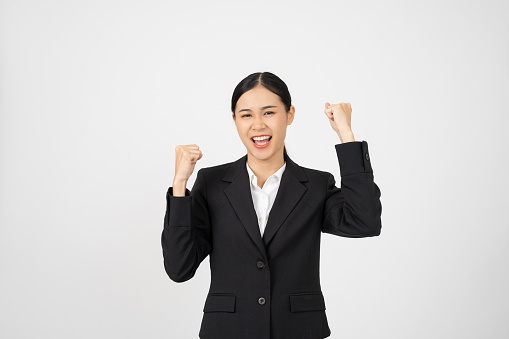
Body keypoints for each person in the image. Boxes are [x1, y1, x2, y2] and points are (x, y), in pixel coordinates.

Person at [162, 71, 382, 339]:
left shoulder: (315, 185)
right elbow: (179, 267)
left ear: (289, 115)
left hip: (298, 331)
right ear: (235, 120)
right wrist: (180, 183)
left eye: (268, 113)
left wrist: (346, 135)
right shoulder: (211, 183)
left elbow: (365, 221)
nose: (258, 125)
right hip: (228, 331)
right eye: (246, 115)